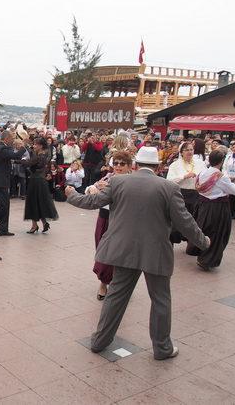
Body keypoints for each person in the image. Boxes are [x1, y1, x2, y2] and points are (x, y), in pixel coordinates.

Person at [64, 146, 210, 360]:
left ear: (135, 165)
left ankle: (99, 341)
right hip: (156, 252)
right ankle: (162, 349)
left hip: (123, 250)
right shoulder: (168, 187)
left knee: (116, 296)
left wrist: (71, 194)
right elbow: (185, 221)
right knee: (160, 299)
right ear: (158, 167)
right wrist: (203, 241)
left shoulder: (118, 181)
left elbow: (91, 202)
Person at [187, 150, 235, 270]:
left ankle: (200, 253)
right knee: (217, 233)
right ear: (222, 161)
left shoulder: (203, 173)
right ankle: (206, 260)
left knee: (203, 229)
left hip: (203, 206)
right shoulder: (220, 177)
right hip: (217, 208)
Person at [85, 151, 132, 301]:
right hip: (104, 218)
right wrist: (93, 188)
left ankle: (117, 284)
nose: (118, 166)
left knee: (120, 253)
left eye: (122, 163)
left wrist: (110, 189)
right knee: (102, 251)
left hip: (122, 221)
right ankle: (103, 282)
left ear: (129, 166)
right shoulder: (108, 177)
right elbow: (90, 190)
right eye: (115, 163)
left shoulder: (132, 181)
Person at [166, 142, 207, 245]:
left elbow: (206, 176)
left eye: (191, 149)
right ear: (181, 152)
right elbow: (169, 180)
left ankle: (192, 243)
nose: (189, 152)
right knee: (178, 219)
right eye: (187, 150)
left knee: (194, 219)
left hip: (196, 194)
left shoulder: (200, 163)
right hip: (181, 193)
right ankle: (174, 239)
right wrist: (184, 176)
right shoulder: (175, 165)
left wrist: (202, 183)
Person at [22, 137, 58, 234]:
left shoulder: (40, 156)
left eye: (35, 144)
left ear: (40, 146)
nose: (34, 146)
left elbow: (28, 163)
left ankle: (34, 226)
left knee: (33, 202)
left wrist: (18, 159)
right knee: (40, 202)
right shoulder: (41, 154)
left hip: (36, 181)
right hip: (40, 181)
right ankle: (44, 222)